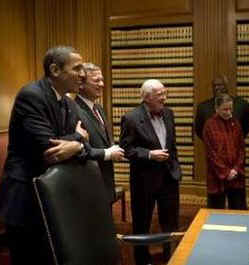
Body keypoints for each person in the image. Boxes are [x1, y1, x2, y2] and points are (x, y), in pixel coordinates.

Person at [0, 46, 88, 265]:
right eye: (77, 68)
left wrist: (76, 144)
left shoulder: (69, 102)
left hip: (54, 196)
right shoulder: (31, 95)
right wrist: (78, 139)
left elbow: (86, 143)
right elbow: (49, 147)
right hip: (26, 198)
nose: (83, 74)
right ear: (55, 70)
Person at [119, 79, 181, 265]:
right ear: (146, 97)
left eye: (165, 93)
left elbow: (172, 145)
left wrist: (177, 168)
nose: (164, 98)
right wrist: (149, 155)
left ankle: (172, 257)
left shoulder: (169, 114)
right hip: (144, 181)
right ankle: (143, 260)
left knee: (171, 224)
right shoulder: (131, 118)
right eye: (159, 95)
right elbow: (126, 149)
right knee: (142, 225)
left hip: (169, 178)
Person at [75, 63, 125, 206]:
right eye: (96, 81)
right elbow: (79, 150)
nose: (102, 84)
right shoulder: (74, 109)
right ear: (81, 84)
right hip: (88, 182)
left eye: (102, 80)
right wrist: (108, 153)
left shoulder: (98, 108)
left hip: (105, 179)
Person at [203, 93, 247, 210]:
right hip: (217, 176)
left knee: (239, 211)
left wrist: (236, 169)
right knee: (216, 213)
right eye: (224, 109)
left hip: (236, 175)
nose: (228, 112)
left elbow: (241, 149)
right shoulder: (209, 125)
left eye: (230, 109)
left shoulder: (236, 123)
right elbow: (211, 154)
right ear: (216, 109)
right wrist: (226, 172)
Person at [195, 75, 249, 140]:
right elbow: (199, 130)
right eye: (214, 86)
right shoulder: (203, 107)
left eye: (220, 85)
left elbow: (246, 127)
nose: (217, 88)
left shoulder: (241, 104)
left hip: (234, 145)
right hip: (214, 147)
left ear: (226, 86)